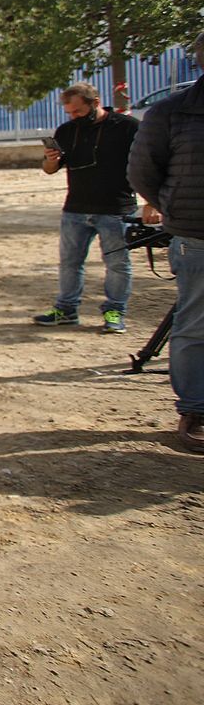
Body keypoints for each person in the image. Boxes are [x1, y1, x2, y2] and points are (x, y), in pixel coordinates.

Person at [127, 36, 204, 453]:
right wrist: (175, 207)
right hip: (197, 237)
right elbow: (142, 172)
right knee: (195, 326)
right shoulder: (172, 112)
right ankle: (196, 409)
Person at [34, 82, 141, 333]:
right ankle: (66, 310)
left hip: (115, 209)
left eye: (78, 111)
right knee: (69, 263)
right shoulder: (67, 130)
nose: (74, 117)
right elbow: (50, 170)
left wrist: (151, 202)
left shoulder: (127, 127)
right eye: (70, 113)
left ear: (95, 103)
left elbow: (147, 163)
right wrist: (50, 160)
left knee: (117, 264)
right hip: (75, 209)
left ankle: (115, 312)